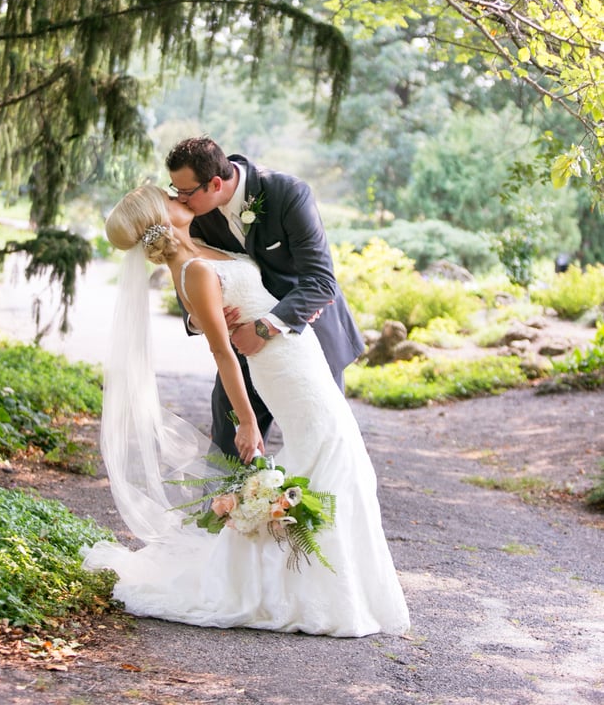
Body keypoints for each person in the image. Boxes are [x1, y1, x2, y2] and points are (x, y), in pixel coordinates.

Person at [83, 183, 410, 638]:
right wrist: (248, 420)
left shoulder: (201, 248)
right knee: (334, 455)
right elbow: (222, 354)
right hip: (279, 367)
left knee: (338, 456)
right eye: (172, 197)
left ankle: (323, 581)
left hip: (299, 351)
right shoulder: (193, 271)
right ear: (161, 217)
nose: (182, 197)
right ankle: (316, 589)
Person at [165, 136, 364, 457]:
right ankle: (242, 508)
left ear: (215, 183)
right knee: (229, 454)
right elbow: (186, 265)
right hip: (240, 349)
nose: (179, 200)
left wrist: (264, 328)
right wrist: (199, 318)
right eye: (175, 190)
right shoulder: (191, 215)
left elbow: (321, 282)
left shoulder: (287, 193)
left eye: (185, 192)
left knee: (323, 448)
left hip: (305, 338)